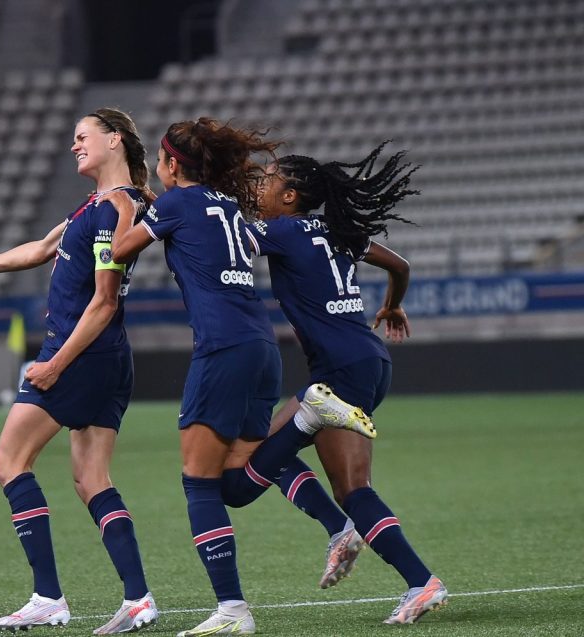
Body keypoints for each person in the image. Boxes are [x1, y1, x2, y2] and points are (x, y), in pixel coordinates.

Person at [103, 118, 375, 637]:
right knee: (238, 482)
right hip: (260, 347)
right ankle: (309, 444)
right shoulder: (226, 205)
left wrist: (125, 207)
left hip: (222, 349)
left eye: (162, 164)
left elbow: (117, 251)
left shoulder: (176, 203)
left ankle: (232, 610)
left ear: (172, 165)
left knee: (198, 483)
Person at [0, 108, 159, 635]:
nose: (74, 146)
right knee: (91, 480)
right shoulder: (103, 205)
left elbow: (104, 302)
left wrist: (55, 364)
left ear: (115, 140)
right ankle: (138, 599)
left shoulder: (114, 210)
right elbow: (42, 249)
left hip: (77, 355)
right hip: (107, 358)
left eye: (82, 137)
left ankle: (47, 598)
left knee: (9, 461)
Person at [245, 142, 448, 624]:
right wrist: (394, 303)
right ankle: (404, 572)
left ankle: (409, 574)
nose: (260, 186)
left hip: (337, 371)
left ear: (291, 195)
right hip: (369, 361)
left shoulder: (282, 230)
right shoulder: (338, 232)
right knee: (342, 483)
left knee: (264, 457)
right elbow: (400, 266)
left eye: (269, 178)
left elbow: (222, 239)